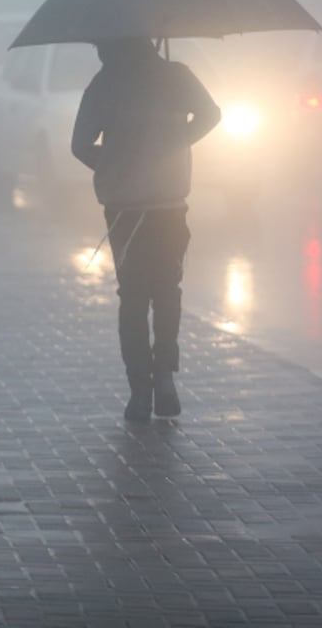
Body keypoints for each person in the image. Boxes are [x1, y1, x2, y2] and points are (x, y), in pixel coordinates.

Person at [71, 37, 221, 422]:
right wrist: (175, 144)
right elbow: (211, 113)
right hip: (170, 202)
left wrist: (115, 163)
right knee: (167, 289)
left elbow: (79, 144)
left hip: (125, 208)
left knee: (133, 298)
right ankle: (166, 376)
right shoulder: (176, 75)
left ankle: (139, 390)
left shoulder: (105, 83)